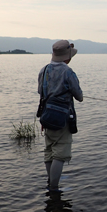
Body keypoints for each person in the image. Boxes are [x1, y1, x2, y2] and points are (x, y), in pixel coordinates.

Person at [38, 40, 83, 191]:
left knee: (49, 150)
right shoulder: (68, 72)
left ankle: (51, 182)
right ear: (67, 57)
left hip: (46, 115)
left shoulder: (43, 70)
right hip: (62, 118)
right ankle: (54, 188)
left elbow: (40, 92)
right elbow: (79, 96)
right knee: (60, 152)